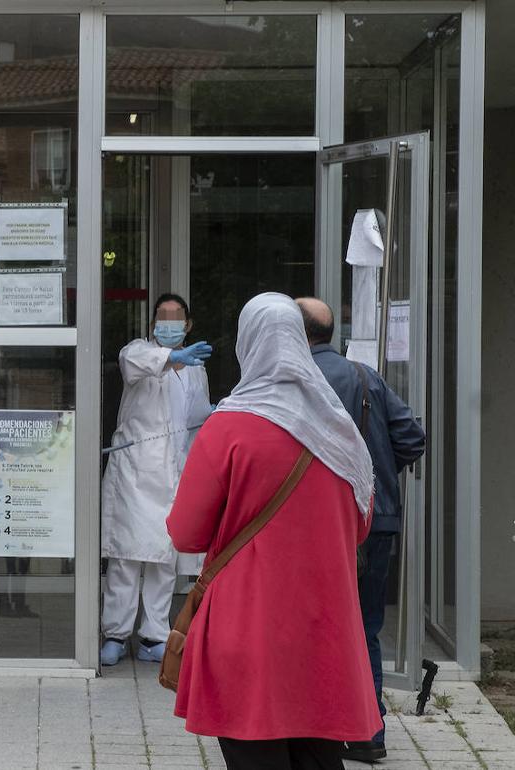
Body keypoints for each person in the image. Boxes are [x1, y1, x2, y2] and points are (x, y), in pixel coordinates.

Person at [167, 292, 382, 769]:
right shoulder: (337, 429)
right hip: (325, 629)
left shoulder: (227, 428)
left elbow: (185, 534)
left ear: (248, 343)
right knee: (319, 757)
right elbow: (361, 524)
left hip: (245, 630)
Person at [297, 297, 427, 763]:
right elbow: (412, 437)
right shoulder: (363, 375)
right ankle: (370, 733)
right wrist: (379, 475)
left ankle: (318, 730)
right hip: (378, 519)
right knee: (366, 626)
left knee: (317, 626)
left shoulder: (297, 379)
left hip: (323, 524)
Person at [100, 293, 212, 666]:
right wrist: (171, 358)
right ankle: (115, 633)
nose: (168, 323)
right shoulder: (139, 352)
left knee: (164, 558)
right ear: (152, 324)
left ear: (188, 324)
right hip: (134, 472)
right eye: (162, 317)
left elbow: (196, 421)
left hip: (175, 474)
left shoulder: (196, 368)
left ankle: (154, 635)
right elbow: (135, 363)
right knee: (126, 559)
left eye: (176, 317)